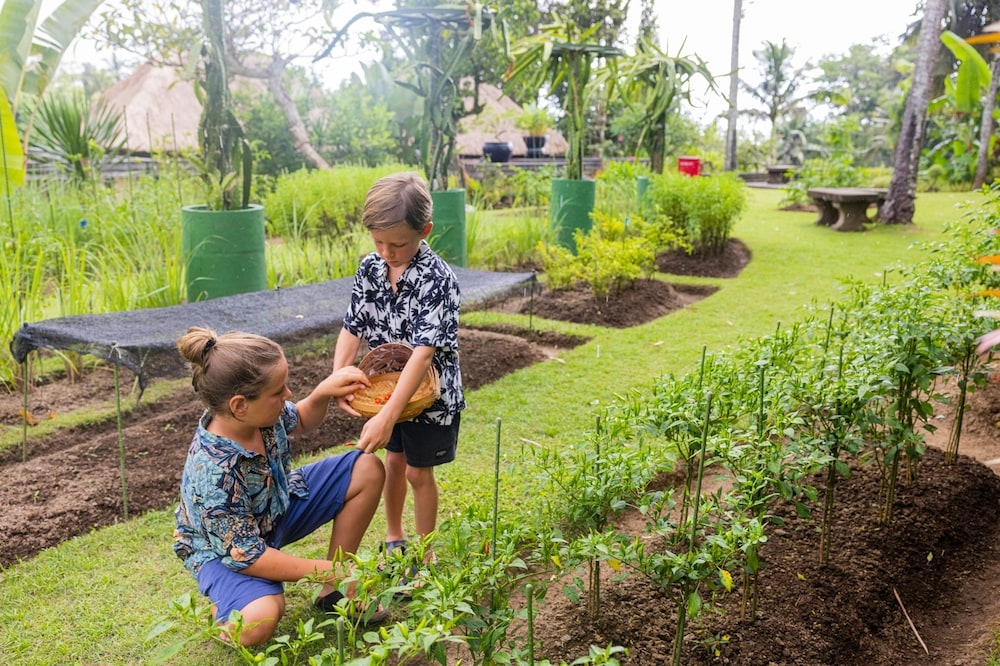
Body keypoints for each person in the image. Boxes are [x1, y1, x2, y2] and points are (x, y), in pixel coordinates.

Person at [173, 326, 387, 646]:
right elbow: (247, 556)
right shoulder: (213, 474)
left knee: (366, 468)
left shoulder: (259, 415)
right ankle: (222, 614)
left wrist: (321, 394)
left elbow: (300, 419)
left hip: (276, 506)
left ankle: (333, 592)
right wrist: (326, 568)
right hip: (226, 551)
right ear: (239, 405)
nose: (287, 395)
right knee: (259, 620)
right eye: (278, 391)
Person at [333, 171, 465, 574]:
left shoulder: (438, 279)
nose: (387, 252)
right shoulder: (370, 270)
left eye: (398, 244)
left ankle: (426, 552)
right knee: (393, 463)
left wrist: (388, 416)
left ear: (424, 230)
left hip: (429, 395)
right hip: (386, 389)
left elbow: (424, 355)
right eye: (378, 242)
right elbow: (352, 327)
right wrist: (337, 376)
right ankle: (394, 537)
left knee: (416, 470)